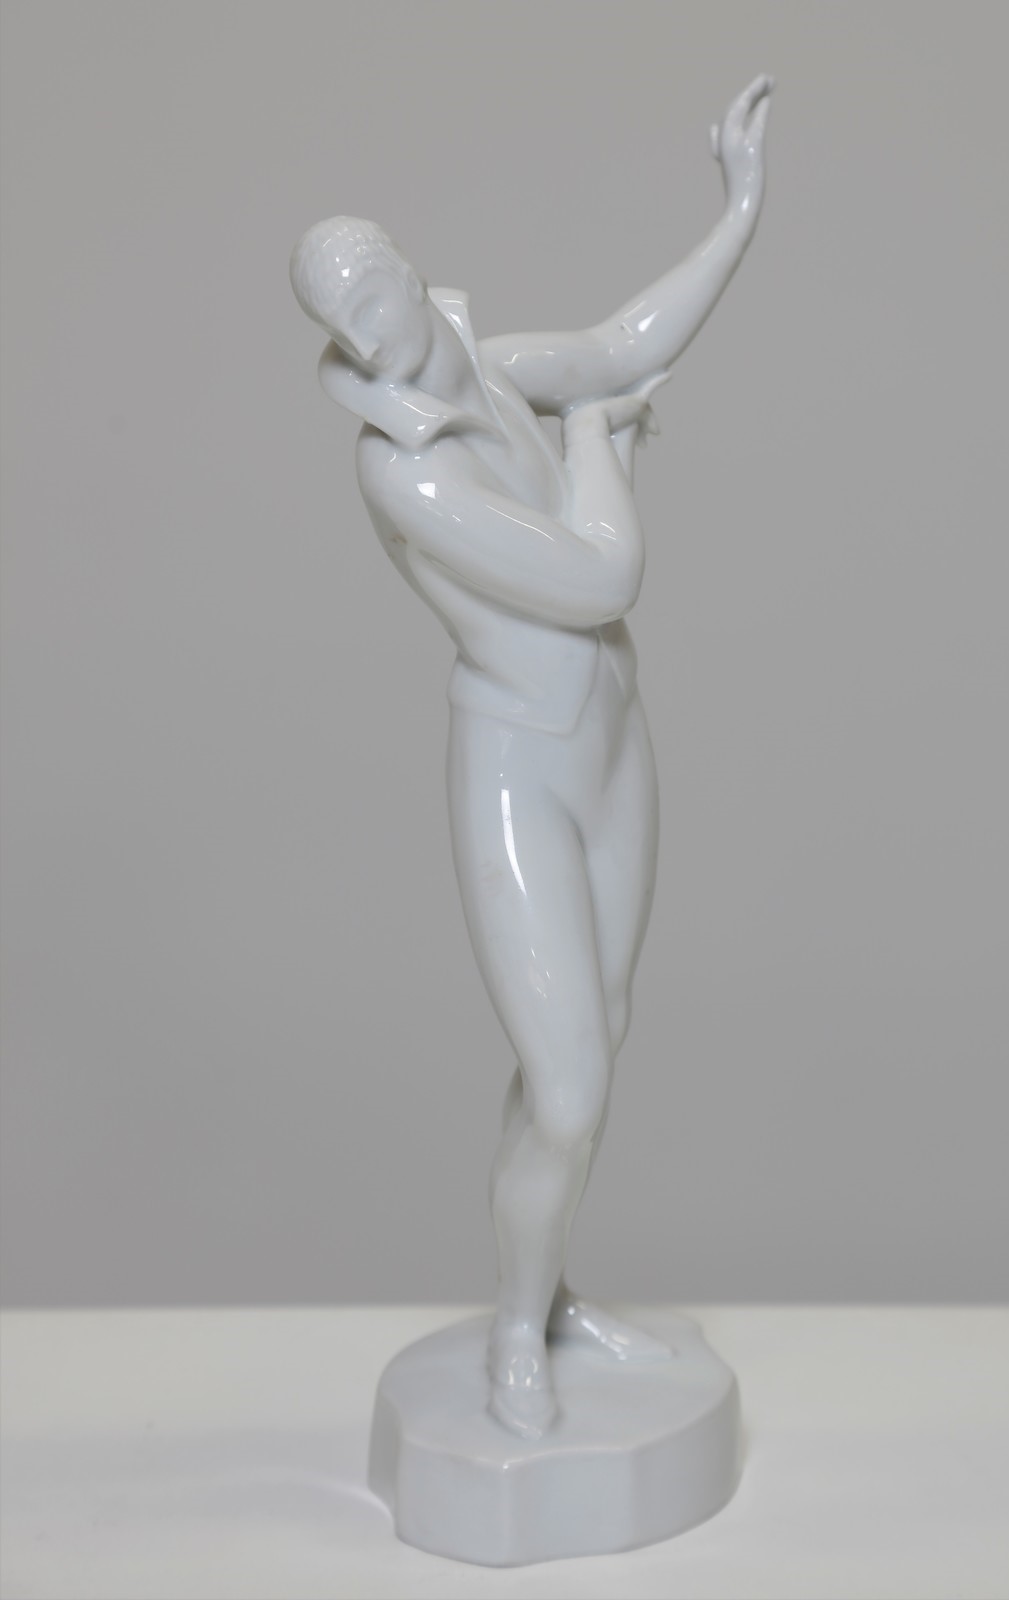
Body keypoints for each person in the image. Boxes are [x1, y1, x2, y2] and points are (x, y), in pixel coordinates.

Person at [291, 74, 772, 1439]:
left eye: (366, 293)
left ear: (405, 274)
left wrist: (737, 212)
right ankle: (516, 1330)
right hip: (519, 768)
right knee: (565, 1090)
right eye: (337, 320)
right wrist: (595, 436)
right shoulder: (404, 469)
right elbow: (604, 574)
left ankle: (552, 1298)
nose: (360, 329)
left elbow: (620, 341)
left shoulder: (491, 366)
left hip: (613, 737)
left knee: (599, 1043)